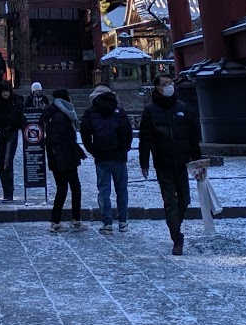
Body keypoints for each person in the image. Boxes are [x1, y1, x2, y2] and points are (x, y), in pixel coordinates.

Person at [139, 72, 201, 255]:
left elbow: (192, 136)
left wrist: (197, 158)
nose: (168, 86)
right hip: (163, 161)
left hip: (183, 162)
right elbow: (145, 139)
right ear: (157, 88)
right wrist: (144, 162)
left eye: (170, 83)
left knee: (184, 199)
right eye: (164, 83)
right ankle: (176, 237)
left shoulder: (183, 108)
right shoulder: (150, 110)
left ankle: (175, 223)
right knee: (169, 201)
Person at [80, 84, 134, 234]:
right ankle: (123, 221)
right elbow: (127, 132)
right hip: (119, 156)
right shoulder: (119, 111)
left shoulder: (90, 112)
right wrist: (124, 149)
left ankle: (107, 222)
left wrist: (93, 150)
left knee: (104, 190)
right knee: (121, 190)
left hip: (101, 156)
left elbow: (85, 134)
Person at [41, 87, 85, 232]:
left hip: (64, 157)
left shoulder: (57, 113)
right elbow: (59, 140)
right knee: (69, 188)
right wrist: (62, 159)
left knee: (65, 188)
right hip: (64, 159)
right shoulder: (61, 116)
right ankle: (68, 220)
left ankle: (59, 220)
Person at [0, 79, 24, 201]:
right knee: (0, 164)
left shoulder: (16, 100)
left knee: (7, 163)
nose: (5, 94)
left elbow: (19, 117)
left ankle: (8, 193)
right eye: (3, 91)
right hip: (0, 134)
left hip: (11, 134)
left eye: (7, 91)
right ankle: (7, 190)